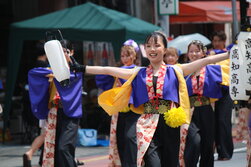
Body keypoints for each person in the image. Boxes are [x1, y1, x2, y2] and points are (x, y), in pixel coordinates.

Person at [70, 31, 229, 167]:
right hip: (146, 123)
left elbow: (207, 60)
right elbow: (108, 70)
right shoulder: (138, 72)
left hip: (169, 122)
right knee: (153, 163)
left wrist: (232, 52)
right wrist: (82, 68)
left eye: (157, 45)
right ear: (145, 49)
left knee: (170, 162)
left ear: (164, 49)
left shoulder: (175, 70)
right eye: (149, 46)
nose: (152, 49)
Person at [28, 40, 83, 167]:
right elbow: (33, 73)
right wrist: (51, 73)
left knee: (64, 148)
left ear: (72, 52)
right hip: (54, 112)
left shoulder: (76, 70)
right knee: (54, 150)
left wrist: (55, 74)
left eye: (64, 51)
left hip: (70, 113)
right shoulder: (50, 69)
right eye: (58, 52)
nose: (61, 55)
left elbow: (71, 77)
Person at [183, 40, 230, 167]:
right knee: (194, 141)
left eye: (197, 51)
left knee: (208, 144)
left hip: (206, 109)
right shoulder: (183, 70)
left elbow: (229, 76)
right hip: (189, 112)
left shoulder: (212, 69)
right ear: (187, 54)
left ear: (203, 53)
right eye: (191, 51)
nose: (194, 54)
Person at [95, 39, 140, 166]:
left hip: (134, 111)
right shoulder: (117, 71)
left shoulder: (138, 71)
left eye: (128, 55)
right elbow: (101, 78)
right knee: (120, 141)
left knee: (130, 138)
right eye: (122, 55)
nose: (125, 58)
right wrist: (113, 70)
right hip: (119, 112)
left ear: (135, 55)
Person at [210, 31, 234, 161]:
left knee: (223, 121)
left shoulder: (228, 52)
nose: (216, 43)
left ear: (223, 41)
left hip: (227, 91)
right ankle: (218, 150)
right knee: (214, 122)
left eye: (218, 41)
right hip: (214, 91)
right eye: (214, 41)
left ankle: (226, 152)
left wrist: (216, 53)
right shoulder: (211, 55)